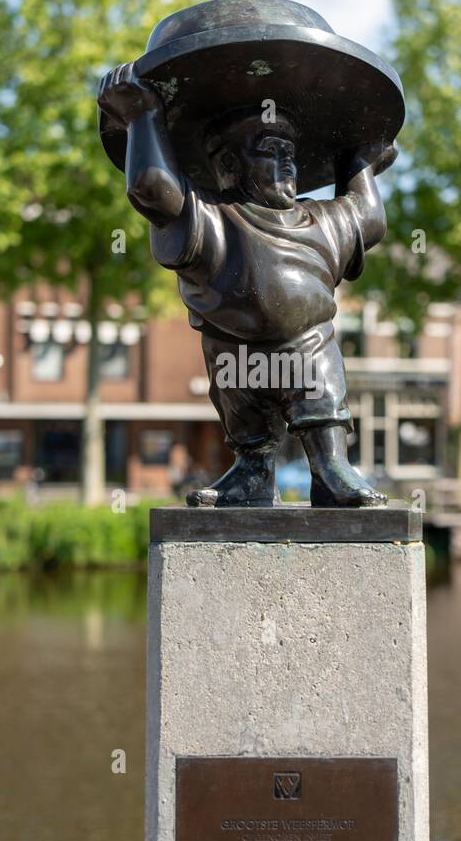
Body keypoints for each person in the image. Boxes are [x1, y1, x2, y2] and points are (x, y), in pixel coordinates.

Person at [100, 61, 392, 508]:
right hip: (234, 350)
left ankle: (330, 466)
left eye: (291, 149)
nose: (288, 159)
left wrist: (359, 163)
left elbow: (368, 218)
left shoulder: (322, 219)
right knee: (244, 416)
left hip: (308, 345)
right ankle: (252, 471)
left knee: (321, 404)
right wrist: (144, 117)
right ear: (231, 164)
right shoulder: (211, 216)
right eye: (271, 149)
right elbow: (152, 189)